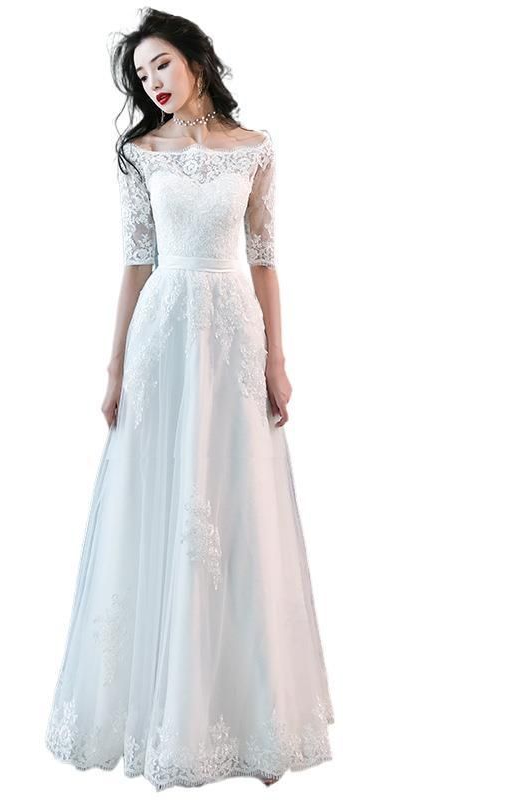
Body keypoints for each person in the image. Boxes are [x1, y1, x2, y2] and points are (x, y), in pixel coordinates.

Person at [45, 8, 334, 791]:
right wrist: (114, 368)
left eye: (162, 65)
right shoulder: (141, 154)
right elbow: (136, 263)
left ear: (197, 60)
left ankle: (247, 714)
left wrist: (277, 360)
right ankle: (157, 714)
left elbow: (265, 260)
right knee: (159, 500)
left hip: (233, 336)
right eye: (141, 76)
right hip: (163, 335)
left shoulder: (256, 148)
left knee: (237, 504)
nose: (153, 83)